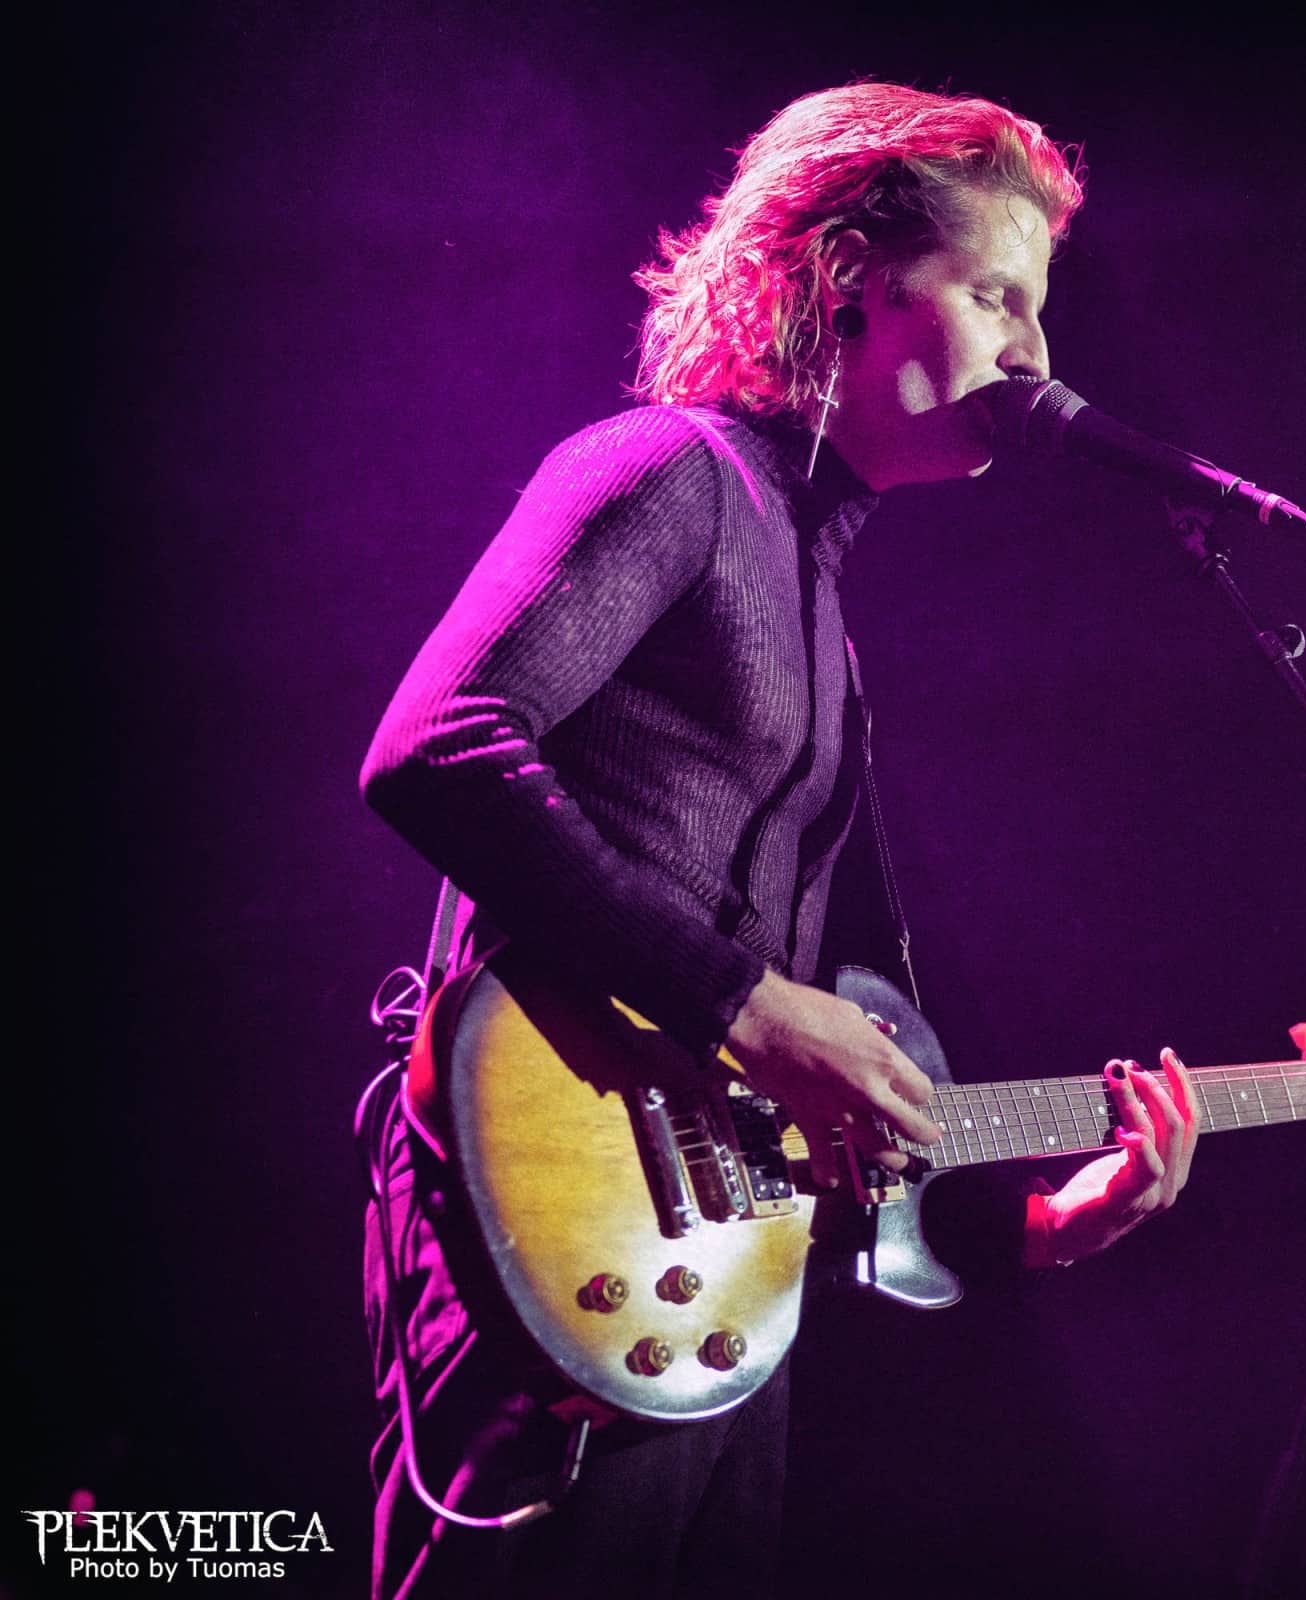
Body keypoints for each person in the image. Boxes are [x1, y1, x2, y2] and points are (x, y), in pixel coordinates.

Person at [358, 83, 1200, 1600]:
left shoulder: (817, 596)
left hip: (709, 1280)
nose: (1036, 353)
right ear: (849, 278)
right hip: (552, 1216)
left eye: (1040, 308)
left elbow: (840, 1062)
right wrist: (741, 1003)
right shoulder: (666, 469)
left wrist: (1031, 1225)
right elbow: (439, 745)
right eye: (997, 293)